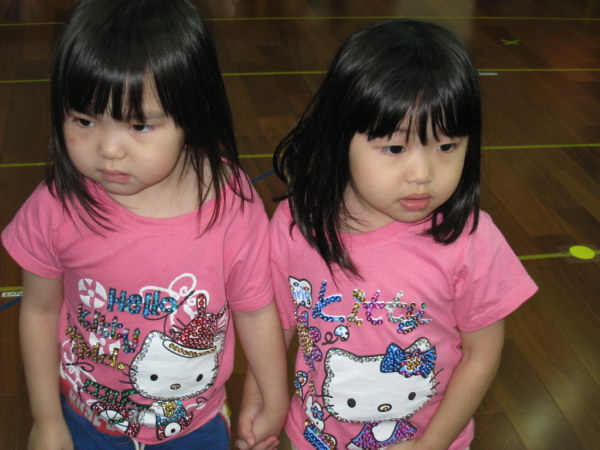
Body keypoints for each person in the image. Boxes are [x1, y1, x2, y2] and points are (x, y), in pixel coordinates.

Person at [1, 0, 288, 448]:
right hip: (85, 423)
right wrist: (47, 420)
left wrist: (274, 397)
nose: (109, 149)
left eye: (138, 126)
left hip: (196, 428)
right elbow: (38, 311)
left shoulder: (230, 204)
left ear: (190, 113)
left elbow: (254, 309)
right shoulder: (56, 206)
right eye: (84, 120)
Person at [267, 20, 538, 450]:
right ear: (340, 137)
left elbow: (482, 355)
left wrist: (429, 446)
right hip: (315, 436)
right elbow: (275, 327)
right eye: (394, 148)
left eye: (447, 146)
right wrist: (261, 399)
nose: (423, 174)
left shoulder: (471, 240)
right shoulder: (295, 224)